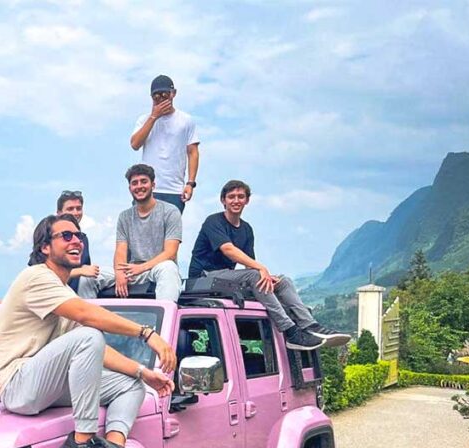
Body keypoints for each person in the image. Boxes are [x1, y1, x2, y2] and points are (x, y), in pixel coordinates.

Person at [0, 213, 176, 448]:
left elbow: (96, 348)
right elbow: (87, 319)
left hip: (46, 384)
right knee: (88, 334)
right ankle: (83, 442)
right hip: (18, 385)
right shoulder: (35, 277)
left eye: (79, 236)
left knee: (132, 384)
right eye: (66, 236)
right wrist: (147, 333)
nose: (76, 240)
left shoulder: (62, 290)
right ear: (45, 247)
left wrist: (144, 372)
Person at [189, 180, 351, 351]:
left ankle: (310, 325)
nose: (236, 200)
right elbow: (228, 249)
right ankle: (291, 332)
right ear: (223, 200)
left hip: (225, 278)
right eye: (231, 197)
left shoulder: (246, 229)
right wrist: (261, 269)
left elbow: (249, 264)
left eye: (240, 197)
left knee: (283, 281)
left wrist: (268, 278)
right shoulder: (213, 221)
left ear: (247, 201)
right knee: (256, 275)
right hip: (204, 277)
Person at [77, 164, 182, 302]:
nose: (139, 186)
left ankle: (166, 319)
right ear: (130, 188)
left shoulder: (170, 211)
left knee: (168, 268)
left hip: (156, 268)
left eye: (144, 181)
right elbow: (120, 250)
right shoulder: (124, 216)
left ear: (153, 185)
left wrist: (141, 267)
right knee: (88, 276)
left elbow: (170, 253)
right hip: (131, 270)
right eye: (134, 183)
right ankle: (89, 321)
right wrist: (120, 273)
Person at [130, 74, 199, 214]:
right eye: (156, 96)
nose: (160, 98)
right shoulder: (144, 120)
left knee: (170, 235)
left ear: (173, 94)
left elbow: (193, 152)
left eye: (164, 94)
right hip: (147, 189)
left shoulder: (186, 120)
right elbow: (135, 144)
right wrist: (154, 116)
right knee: (140, 233)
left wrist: (190, 183)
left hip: (174, 190)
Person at [56, 190, 100, 293]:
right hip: (55, 298)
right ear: (59, 213)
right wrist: (80, 271)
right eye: (70, 209)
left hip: (77, 296)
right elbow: (45, 275)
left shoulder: (83, 239)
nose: (75, 213)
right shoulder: (49, 238)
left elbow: (87, 272)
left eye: (78, 208)